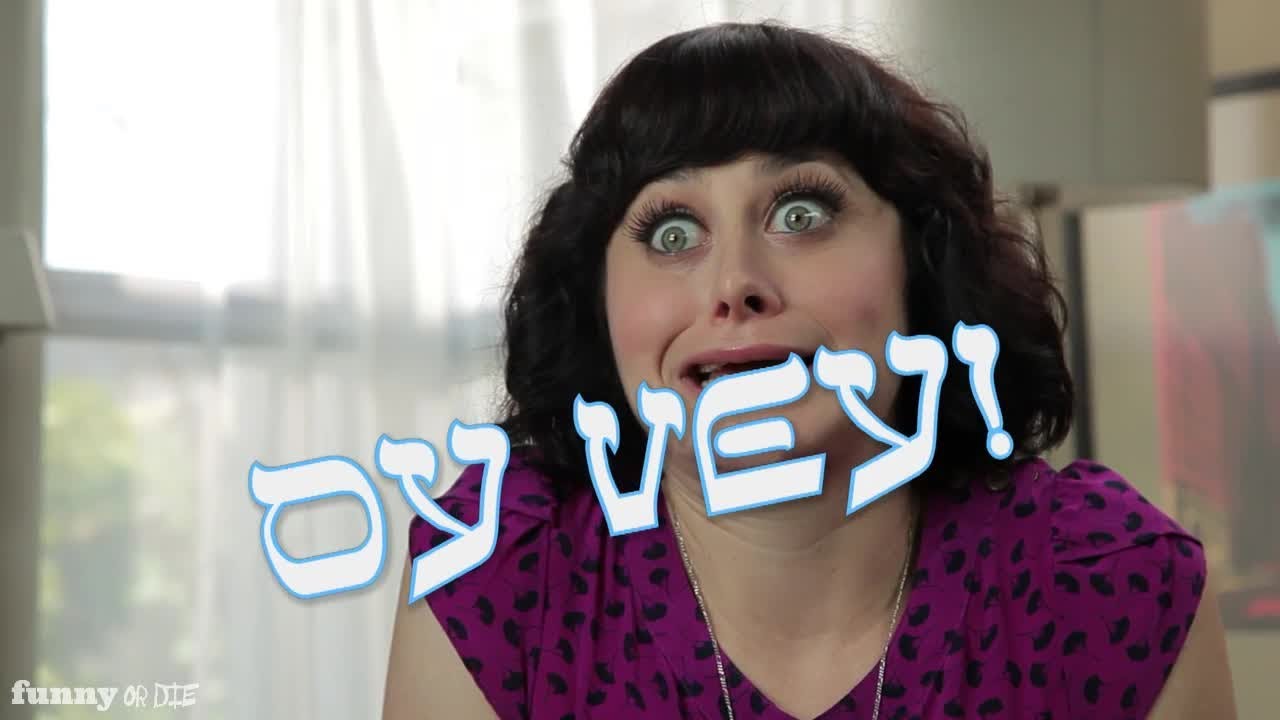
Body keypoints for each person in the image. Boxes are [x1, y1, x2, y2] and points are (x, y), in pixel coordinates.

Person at [383, 22, 1236, 720]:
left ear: (922, 265)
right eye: (672, 232)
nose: (734, 284)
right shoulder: (496, 568)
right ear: (597, 306)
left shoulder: (1115, 583)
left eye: (801, 212)